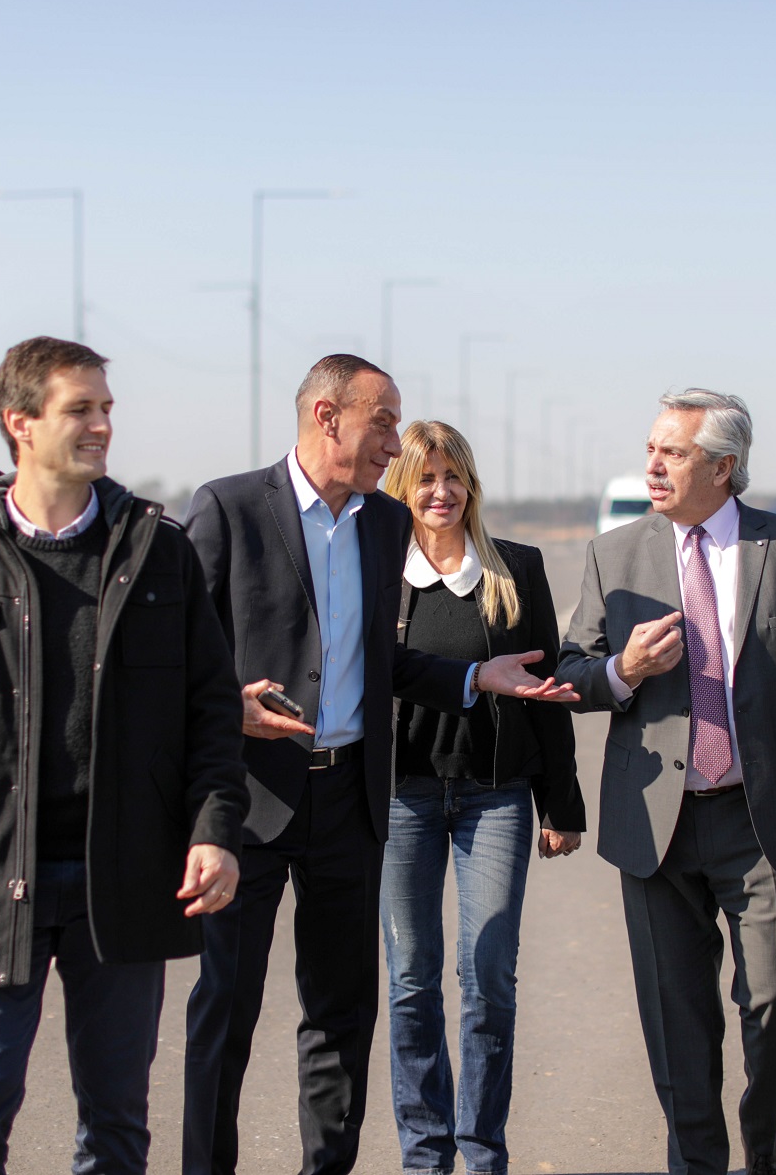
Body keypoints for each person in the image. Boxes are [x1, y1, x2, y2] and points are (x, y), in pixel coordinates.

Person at [180, 354, 576, 1175]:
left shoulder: (379, 523)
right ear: (328, 416)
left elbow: (382, 661)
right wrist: (228, 707)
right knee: (227, 1009)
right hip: (249, 802)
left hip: (351, 804)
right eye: (385, 421)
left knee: (341, 1015)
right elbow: (181, 655)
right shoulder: (226, 507)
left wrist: (473, 676)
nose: (394, 440)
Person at [0, 337, 248, 1174]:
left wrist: (214, 828)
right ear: (21, 424)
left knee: (115, 1122)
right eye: (81, 409)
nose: (102, 425)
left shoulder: (161, 552)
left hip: (120, 878)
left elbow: (211, 711)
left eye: (106, 408)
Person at [556, 389, 776, 1175]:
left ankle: (764, 1142)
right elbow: (570, 671)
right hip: (655, 817)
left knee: (773, 997)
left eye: (675, 452)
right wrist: (621, 671)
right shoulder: (615, 554)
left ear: (725, 467)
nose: (654, 464)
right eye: (651, 448)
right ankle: (699, 1162)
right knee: (676, 1015)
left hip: (763, 816)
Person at [380, 420, 587, 1175]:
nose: (440, 491)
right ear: (402, 483)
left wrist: (560, 805)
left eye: (453, 476)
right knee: (410, 981)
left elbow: (546, 694)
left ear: (472, 485)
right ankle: (424, 1152)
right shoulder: (379, 572)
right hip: (400, 798)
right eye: (424, 476)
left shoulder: (516, 570)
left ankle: (482, 1153)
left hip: (494, 798)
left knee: (488, 977)